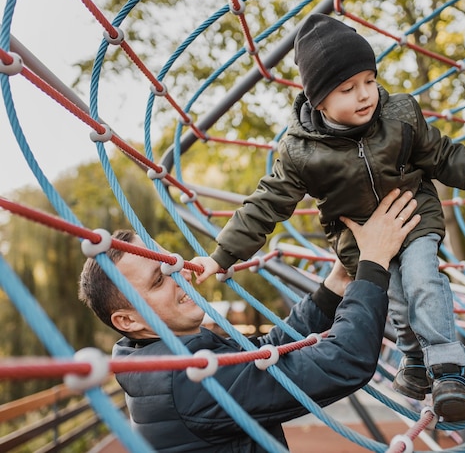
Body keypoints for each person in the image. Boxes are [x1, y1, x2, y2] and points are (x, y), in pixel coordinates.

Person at [201, 13, 465, 422]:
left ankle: (449, 370)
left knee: (422, 281)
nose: (365, 95)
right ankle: (414, 361)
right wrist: (221, 257)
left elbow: (440, 153)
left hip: (413, 218)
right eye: (348, 88)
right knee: (395, 299)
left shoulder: (399, 115)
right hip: (361, 243)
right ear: (319, 100)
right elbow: (267, 202)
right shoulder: (300, 151)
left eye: (370, 81)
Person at [79, 189, 420, 452]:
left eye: (170, 265)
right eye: (158, 280)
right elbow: (344, 361)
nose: (179, 276)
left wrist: (333, 289)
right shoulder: (183, 383)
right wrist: (375, 261)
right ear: (127, 321)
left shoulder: (167, 360)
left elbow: (261, 354)